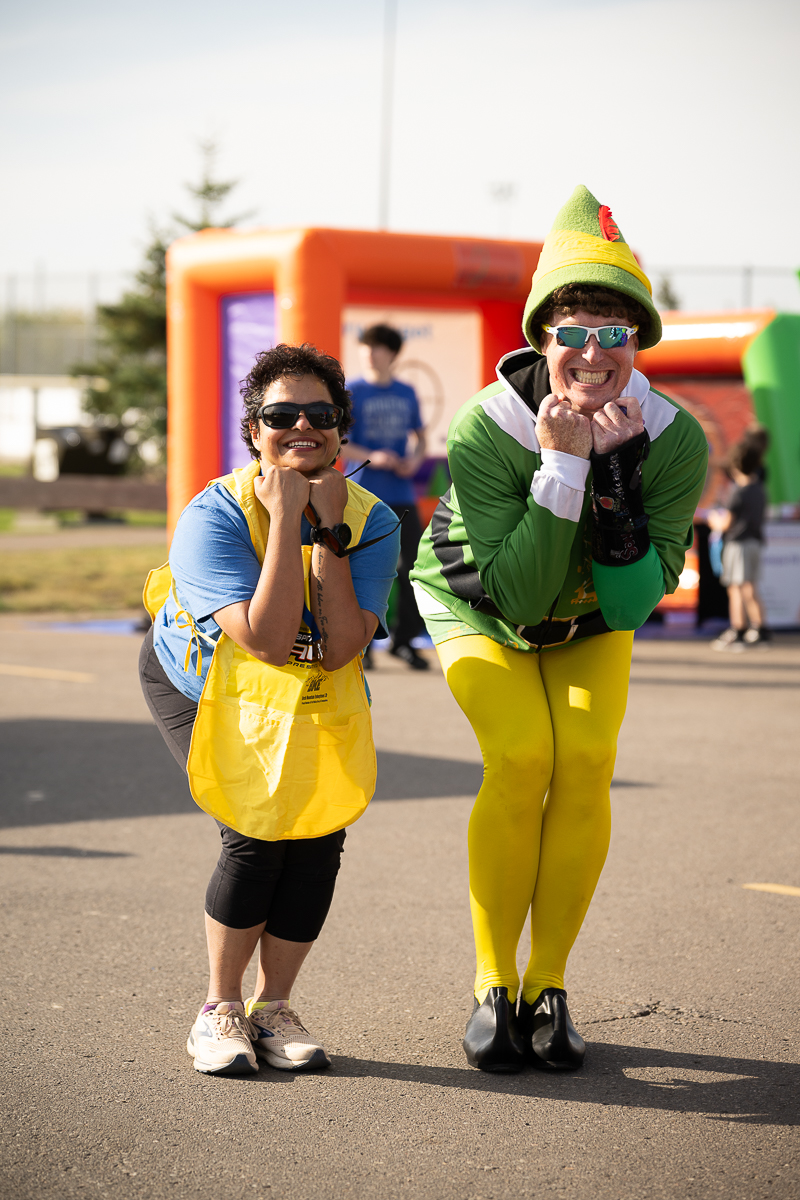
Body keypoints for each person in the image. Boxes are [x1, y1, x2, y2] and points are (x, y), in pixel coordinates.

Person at [410, 186, 709, 1073]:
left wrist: (613, 480)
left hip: (587, 618)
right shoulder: (486, 424)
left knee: (583, 762)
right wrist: (562, 466)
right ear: (542, 338)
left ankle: (547, 985)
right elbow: (522, 592)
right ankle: (491, 983)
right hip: (482, 607)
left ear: (637, 345)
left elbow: (625, 606)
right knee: (522, 759)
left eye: (614, 333)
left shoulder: (675, 439)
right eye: (573, 329)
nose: (592, 351)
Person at [139, 343, 399, 1076]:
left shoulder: (373, 518)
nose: (300, 426)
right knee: (255, 831)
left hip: (310, 685)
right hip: (201, 682)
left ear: (342, 429)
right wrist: (285, 519)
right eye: (280, 414)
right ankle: (218, 1010)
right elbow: (265, 640)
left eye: (319, 414)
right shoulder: (212, 515)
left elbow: (344, 644)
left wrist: (330, 532)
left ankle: (273, 1006)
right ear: (254, 431)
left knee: (317, 836)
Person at [342, 323, 429, 670]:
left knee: (414, 567)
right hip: (362, 494)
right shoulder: (352, 391)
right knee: (356, 569)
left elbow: (420, 436)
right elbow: (339, 439)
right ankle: (360, 645)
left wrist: (416, 460)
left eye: (377, 347)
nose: (369, 352)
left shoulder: (406, 392)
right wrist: (372, 456)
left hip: (402, 494)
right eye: (365, 346)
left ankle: (405, 640)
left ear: (392, 354)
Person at [709, 438, 769, 650]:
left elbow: (725, 523)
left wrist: (713, 519)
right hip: (754, 542)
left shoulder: (738, 491)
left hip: (737, 544)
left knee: (736, 589)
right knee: (750, 588)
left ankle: (738, 629)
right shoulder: (759, 489)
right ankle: (760, 629)